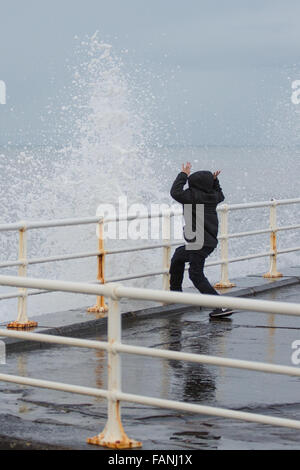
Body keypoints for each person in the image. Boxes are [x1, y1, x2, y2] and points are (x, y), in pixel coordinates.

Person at [169, 162, 234, 319]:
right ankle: (175, 294)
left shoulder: (191, 197)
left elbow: (175, 192)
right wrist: (215, 181)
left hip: (199, 242)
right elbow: (220, 193)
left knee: (195, 274)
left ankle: (220, 305)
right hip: (206, 242)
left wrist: (183, 174)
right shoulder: (213, 197)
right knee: (178, 256)